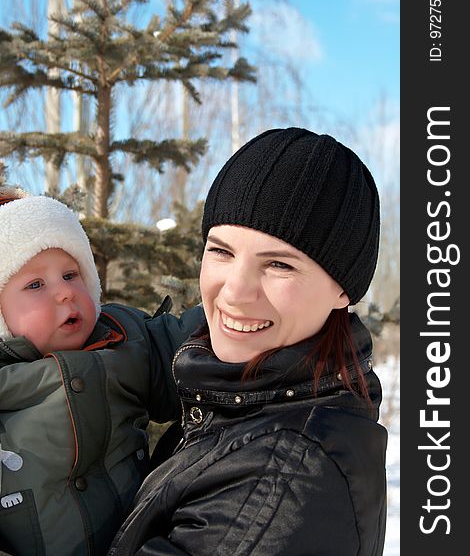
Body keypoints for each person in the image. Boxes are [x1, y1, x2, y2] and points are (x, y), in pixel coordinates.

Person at [108, 127, 388, 556]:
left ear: (343, 290)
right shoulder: (247, 398)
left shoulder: (280, 482)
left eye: (278, 264)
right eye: (221, 251)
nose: (234, 292)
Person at [0, 186, 204, 556]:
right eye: (35, 284)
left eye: (70, 274)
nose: (64, 293)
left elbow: (190, 344)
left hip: (143, 543)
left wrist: (233, 309)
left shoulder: (124, 337)